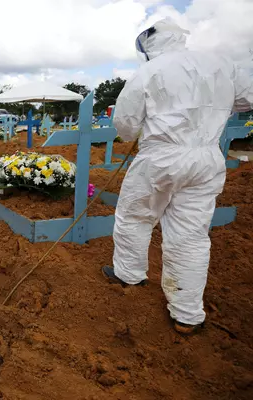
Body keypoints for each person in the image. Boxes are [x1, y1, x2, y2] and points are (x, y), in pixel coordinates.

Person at [102, 19, 253, 335]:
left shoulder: (148, 72)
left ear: (148, 47)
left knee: (135, 216)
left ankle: (129, 274)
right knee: (191, 235)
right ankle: (186, 314)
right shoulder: (220, 64)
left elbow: (126, 123)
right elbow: (246, 98)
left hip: (162, 156)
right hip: (207, 158)